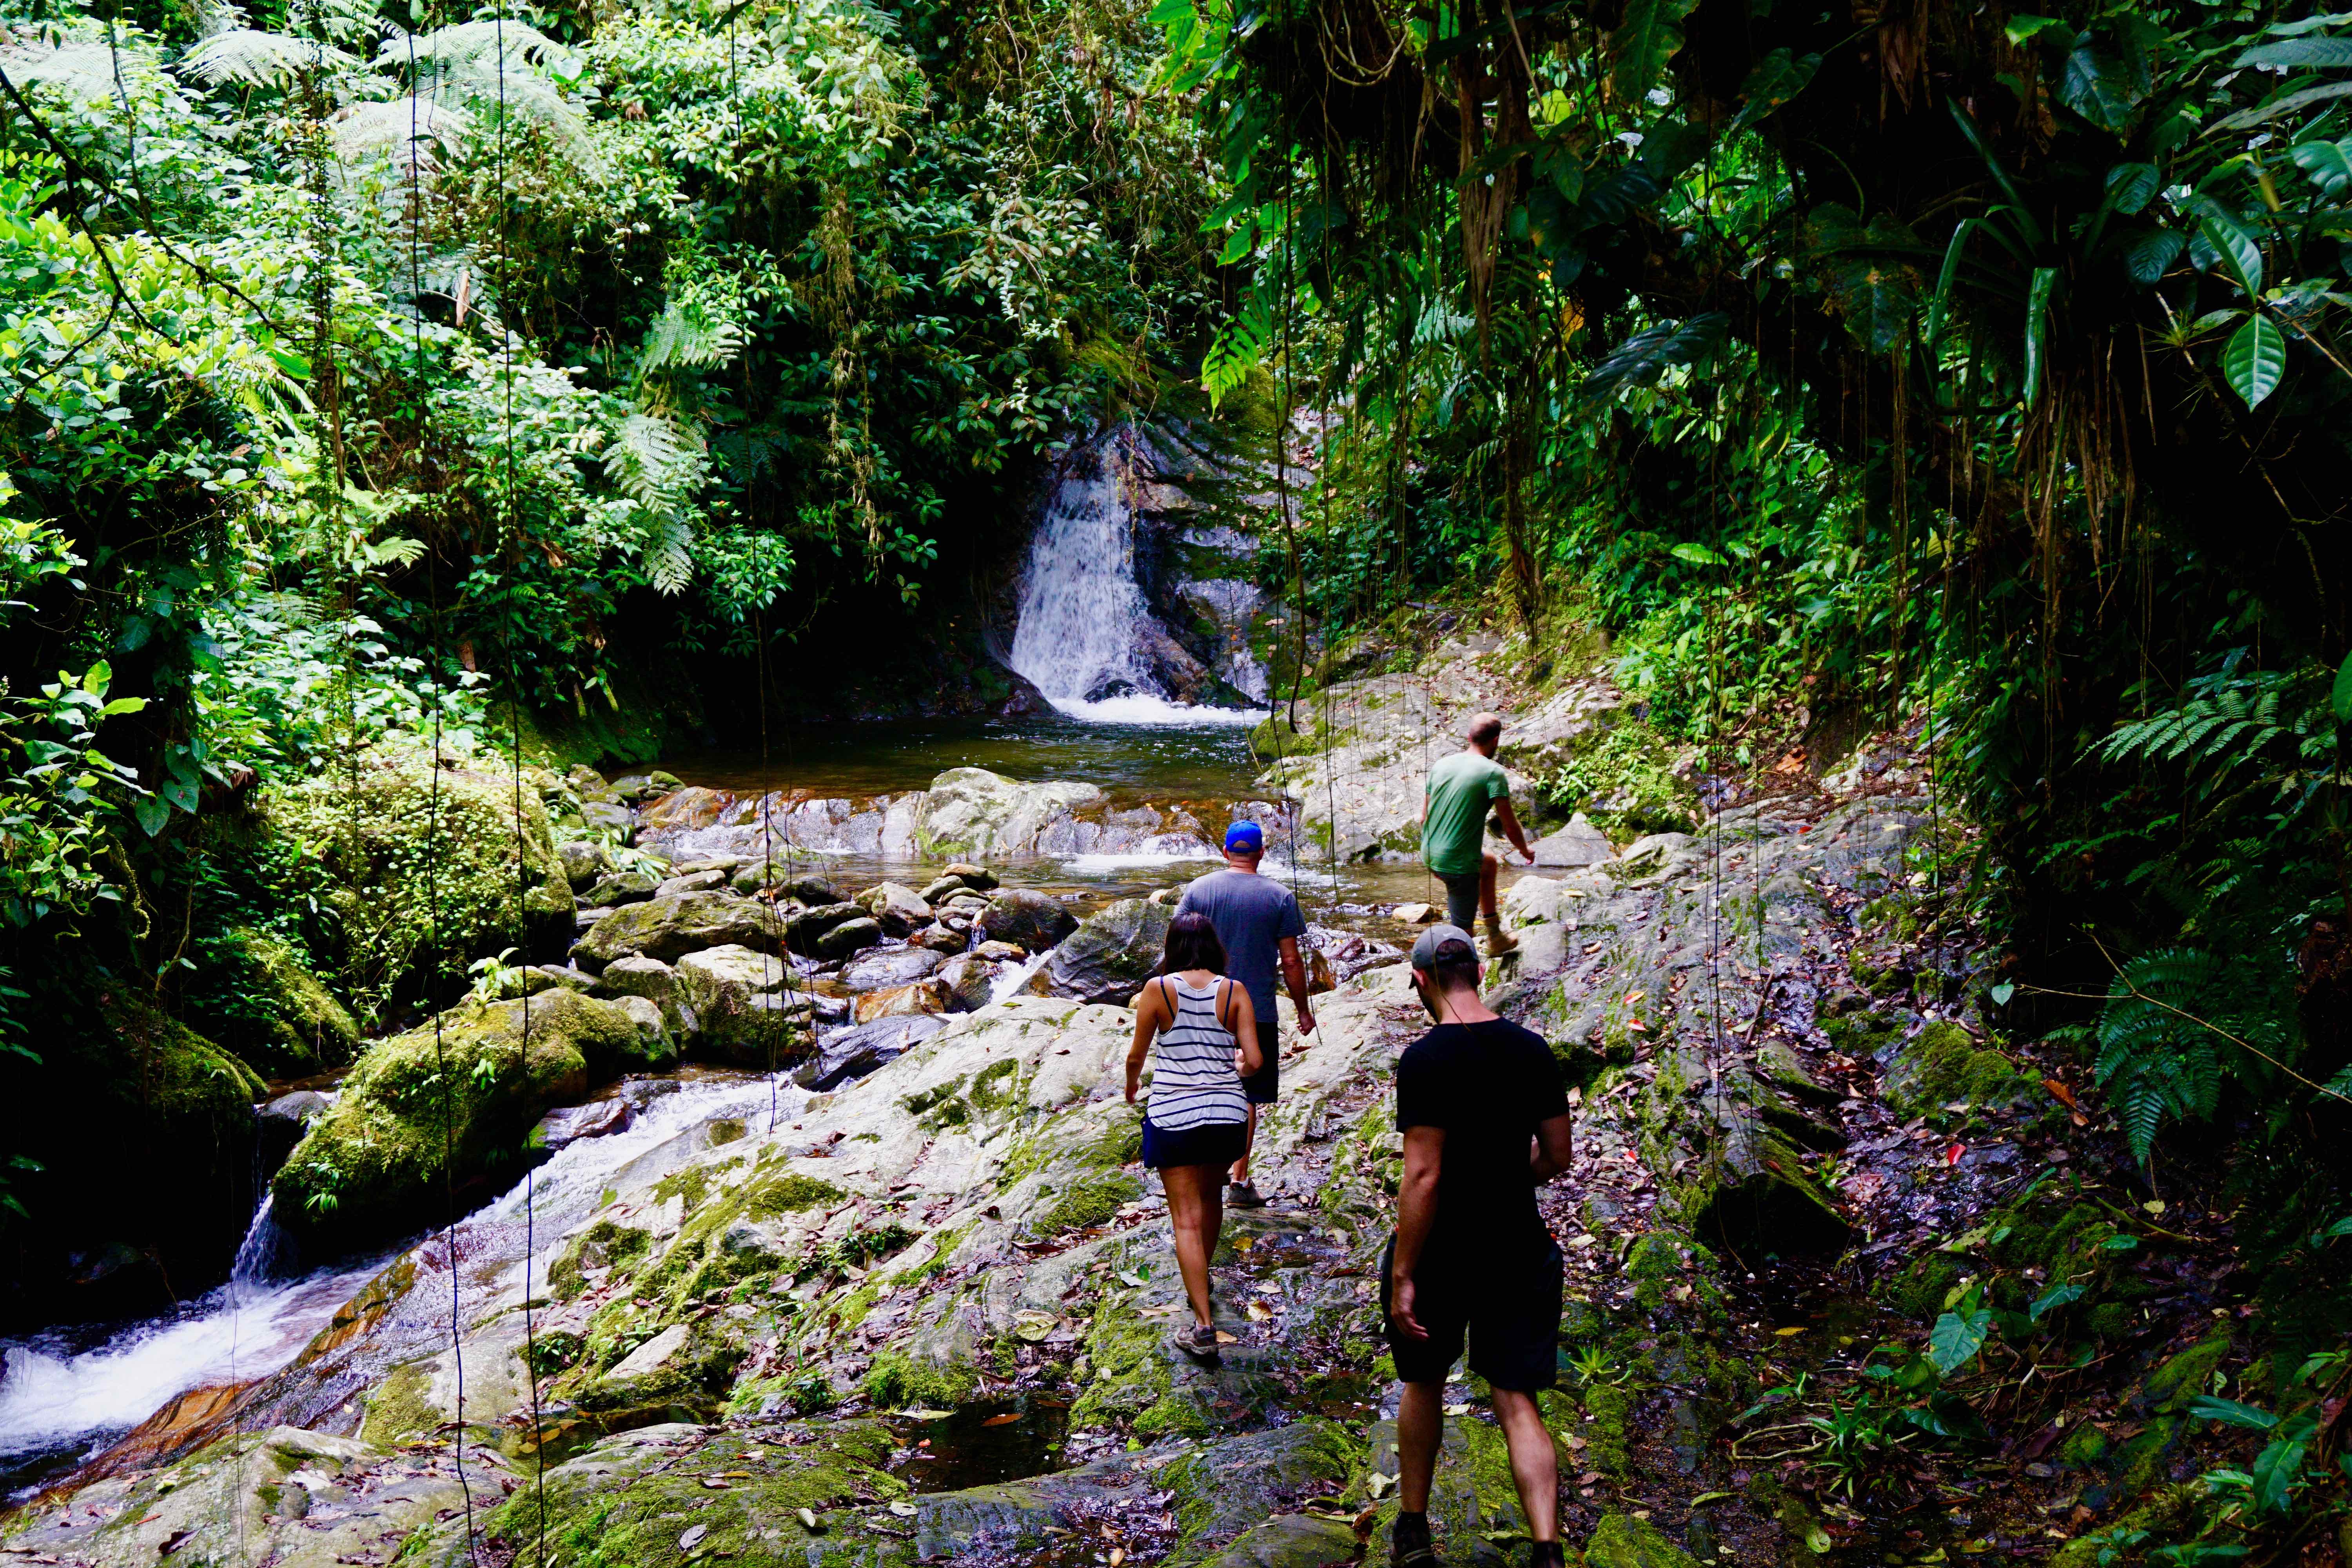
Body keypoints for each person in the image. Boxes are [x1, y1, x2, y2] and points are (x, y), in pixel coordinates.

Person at [1383, 925, 1575, 1568]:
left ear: (1422, 981)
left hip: (1441, 1252)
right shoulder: (1532, 1050)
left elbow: (1424, 1175)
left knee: (1425, 1381)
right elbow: (1557, 1155)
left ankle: (1413, 1530)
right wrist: (1503, 1177)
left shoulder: (1425, 1061)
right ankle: (1547, 1549)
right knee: (1518, 1399)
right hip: (1517, 1243)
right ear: (1480, 974)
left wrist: (1404, 1271)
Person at [1125, 911, 1264, 1360]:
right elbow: (1255, 1062)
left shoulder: (1158, 990)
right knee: (1209, 1202)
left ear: (1173, 947)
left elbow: (1136, 1054)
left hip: (1175, 1115)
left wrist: (1131, 1088)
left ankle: (1203, 1326)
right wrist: (1237, 1066)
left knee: (1185, 1217)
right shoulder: (1235, 991)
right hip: (1226, 1116)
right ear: (1213, 946)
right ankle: (1201, 1283)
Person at [1175, 820, 1315, 1209]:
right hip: (1256, 1012)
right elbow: (1290, 960)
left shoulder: (1199, 890)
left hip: (1203, 1005)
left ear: (1225, 853)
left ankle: (1207, 1166)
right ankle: (1239, 1181)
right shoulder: (1279, 897)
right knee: (1246, 1093)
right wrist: (1304, 1010)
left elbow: (1178, 946)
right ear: (1261, 854)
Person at [1421, 711, 1535, 955]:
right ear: (1495, 741)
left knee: (1489, 863)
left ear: (1469, 736)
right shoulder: (1492, 773)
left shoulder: (1442, 765)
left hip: (1429, 853)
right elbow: (1509, 825)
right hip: (1457, 863)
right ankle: (1461, 977)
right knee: (1463, 932)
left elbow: (1424, 818)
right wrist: (1525, 850)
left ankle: (1495, 935)